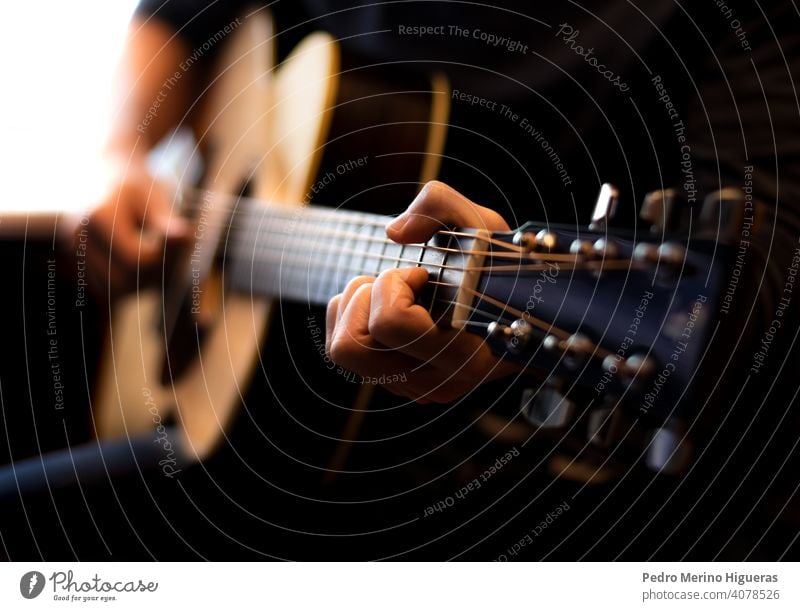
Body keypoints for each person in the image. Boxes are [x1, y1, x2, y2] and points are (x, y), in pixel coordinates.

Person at [18, 0, 800, 559]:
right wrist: (117, 151)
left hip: (448, 466)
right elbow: (172, 19)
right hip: (198, 347)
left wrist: (499, 351)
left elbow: (745, 276)